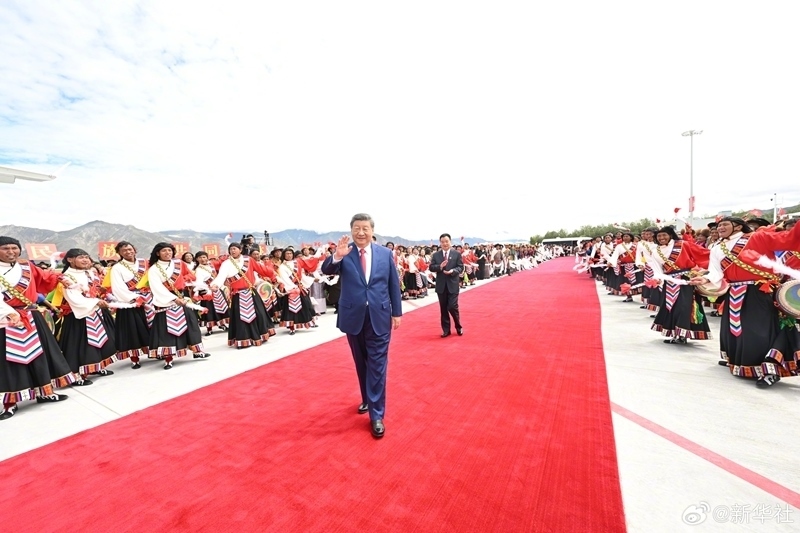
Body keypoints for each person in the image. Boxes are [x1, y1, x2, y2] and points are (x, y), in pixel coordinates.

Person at [321, 213, 402, 439]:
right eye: (357, 228)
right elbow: (326, 270)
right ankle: (368, 398)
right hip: (353, 316)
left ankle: (377, 414)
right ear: (351, 230)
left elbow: (393, 284)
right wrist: (336, 256)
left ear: (372, 230)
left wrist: (397, 312)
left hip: (379, 315)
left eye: (365, 228)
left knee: (377, 364)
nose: (361, 232)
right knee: (361, 361)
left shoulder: (385, 254)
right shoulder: (344, 253)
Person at [429, 233, 465, 337]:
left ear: (450, 241)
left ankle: (458, 326)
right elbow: (431, 267)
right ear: (440, 243)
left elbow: (460, 267)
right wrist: (440, 267)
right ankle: (446, 330)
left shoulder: (456, 254)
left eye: (446, 241)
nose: (445, 243)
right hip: (441, 286)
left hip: (453, 284)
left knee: (452, 306)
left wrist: (453, 271)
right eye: (442, 242)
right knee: (443, 308)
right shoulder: (436, 255)